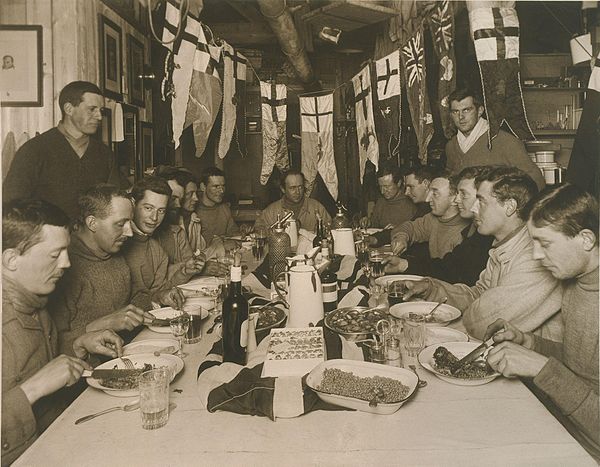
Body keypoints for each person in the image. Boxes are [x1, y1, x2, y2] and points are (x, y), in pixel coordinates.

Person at [2, 199, 124, 465]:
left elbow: (44, 365)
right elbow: (35, 382)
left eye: (66, 252)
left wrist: (78, 345)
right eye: (55, 255)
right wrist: (31, 390)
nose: (67, 263)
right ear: (11, 259)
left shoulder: (36, 303)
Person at [484, 184, 598, 461]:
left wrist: (541, 368)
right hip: (563, 427)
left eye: (544, 243)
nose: (535, 255)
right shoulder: (575, 283)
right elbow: (584, 366)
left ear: (586, 239)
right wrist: (529, 342)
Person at [402, 167, 563, 341]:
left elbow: (485, 322)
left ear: (509, 207)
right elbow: (478, 293)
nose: (474, 208)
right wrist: (433, 289)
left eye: (482, 201)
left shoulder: (533, 256)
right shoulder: (502, 246)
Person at [49, 184, 155, 354]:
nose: (129, 232)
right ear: (92, 223)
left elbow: (132, 302)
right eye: (120, 224)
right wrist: (102, 325)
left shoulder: (114, 253)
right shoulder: (61, 268)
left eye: (130, 222)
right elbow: (52, 346)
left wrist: (159, 298)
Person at [3, 81, 120, 219]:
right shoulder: (34, 150)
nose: (99, 117)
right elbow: (11, 206)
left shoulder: (104, 154)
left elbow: (116, 200)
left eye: (100, 110)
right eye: (92, 109)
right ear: (69, 109)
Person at [385, 166, 494, 286]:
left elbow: (452, 275)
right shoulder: (471, 230)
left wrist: (405, 265)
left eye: (463, 194)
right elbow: (446, 268)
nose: (427, 199)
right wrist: (402, 258)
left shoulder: (476, 233)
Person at [445, 88, 545, 190]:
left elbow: (536, 180)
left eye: (466, 110)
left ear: (480, 111)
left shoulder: (506, 142)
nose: (461, 117)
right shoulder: (451, 146)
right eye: (455, 112)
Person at [121, 177, 189, 310]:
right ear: (133, 204)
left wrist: (161, 296)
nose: (154, 218)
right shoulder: (117, 243)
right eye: (148, 208)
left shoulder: (157, 250)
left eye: (161, 210)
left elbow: (156, 293)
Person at [391, 170, 470, 259]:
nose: (427, 199)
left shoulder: (465, 233)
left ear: (455, 198)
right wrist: (401, 238)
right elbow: (410, 227)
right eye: (429, 192)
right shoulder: (433, 219)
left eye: (435, 194)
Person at [255, 169, 331, 233]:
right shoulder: (271, 211)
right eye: (292, 188)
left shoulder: (317, 208)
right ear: (283, 189)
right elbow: (259, 231)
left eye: (300, 187)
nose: (297, 192)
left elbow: (330, 229)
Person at [367, 164, 418, 247]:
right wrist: (368, 222)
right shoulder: (381, 201)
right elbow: (374, 226)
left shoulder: (411, 203)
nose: (383, 191)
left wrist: (400, 229)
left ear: (398, 183)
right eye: (380, 187)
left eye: (387, 187)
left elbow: (415, 234)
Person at [194, 167, 242, 246]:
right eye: (216, 186)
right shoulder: (194, 211)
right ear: (203, 187)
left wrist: (242, 231)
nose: (221, 191)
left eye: (223, 186)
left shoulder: (224, 208)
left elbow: (233, 234)